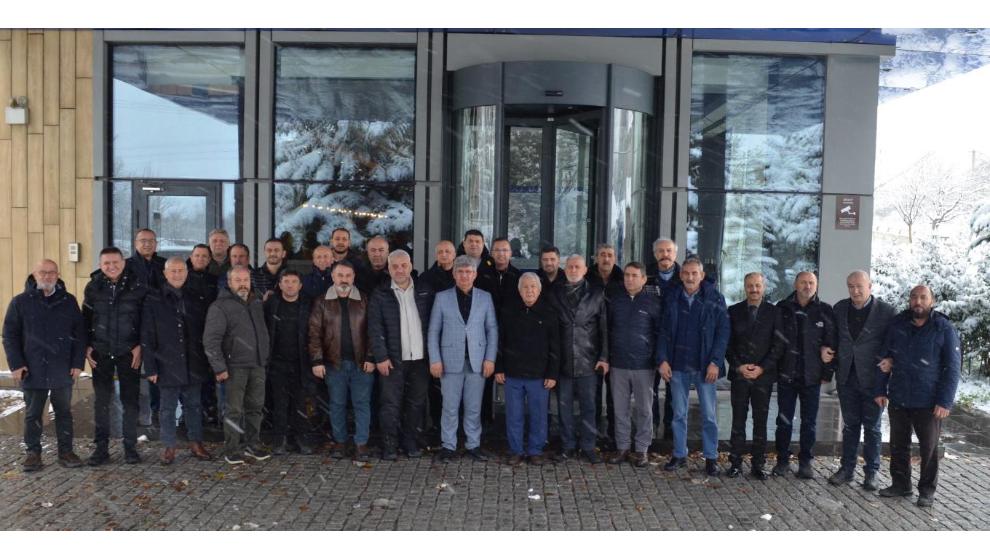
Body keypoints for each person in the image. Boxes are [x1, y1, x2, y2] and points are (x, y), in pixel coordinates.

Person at [875, 285, 960, 508]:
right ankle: (901, 484)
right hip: (899, 395)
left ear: (932, 301)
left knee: (928, 449)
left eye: (923, 297)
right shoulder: (898, 324)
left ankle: (927, 491)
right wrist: (880, 389)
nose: (918, 301)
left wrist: (945, 401)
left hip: (929, 400)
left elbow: (952, 368)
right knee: (898, 445)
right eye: (914, 297)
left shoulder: (943, 328)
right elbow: (884, 357)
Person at [3, 260, 86, 472]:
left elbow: (80, 334)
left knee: (64, 412)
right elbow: (10, 336)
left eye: (52, 273)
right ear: (34, 275)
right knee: (33, 414)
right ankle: (33, 453)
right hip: (32, 368)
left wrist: (77, 363)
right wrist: (17, 364)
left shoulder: (68, 301)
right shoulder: (20, 302)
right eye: (43, 272)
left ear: (57, 275)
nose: (47, 276)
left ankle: (66, 452)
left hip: (62, 368)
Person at [658, 258, 730, 476]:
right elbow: (663, 331)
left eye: (694, 273)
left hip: (704, 366)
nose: (690, 277)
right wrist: (662, 359)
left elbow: (723, 333)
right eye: (686, 273)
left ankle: (711, 457)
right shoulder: (672, 297)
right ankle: (679, 454)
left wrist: (715, 362)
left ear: (702, 275)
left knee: (709, 415)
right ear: (681, 275)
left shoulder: (715, 298)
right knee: (679, 414)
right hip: (677, 365)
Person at [140, 257, 213, 465]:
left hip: (193, 361)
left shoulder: (196, 297)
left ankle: (195, 443)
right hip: (166, 362)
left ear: (187, 273)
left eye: (181, 270)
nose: (177, 274)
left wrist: (207, 361)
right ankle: (169, 446)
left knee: (194, 406)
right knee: (167, 408)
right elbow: (147, 335)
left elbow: (206, 332)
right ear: (165, 274)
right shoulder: (154, 299)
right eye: (173, 271)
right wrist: (150, 367)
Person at [827, 270, 895, 491]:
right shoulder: (839, 308)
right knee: (850, 426)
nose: (855, 291)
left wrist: (891, 361)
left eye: (859, 286)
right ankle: (847, 469)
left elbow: (894, 343)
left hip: (874, 380)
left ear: (870, 286)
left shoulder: (886, 312)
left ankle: (871, 473)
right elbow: (833, 338)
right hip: (847, 377)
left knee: (872, 428)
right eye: (851, 286)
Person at [428, 255, 499, 463]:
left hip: (478, 361)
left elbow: (492, 329)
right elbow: (433, 331)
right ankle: (448, 446)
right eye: (460, 272)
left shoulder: (485, 298)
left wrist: (490, 359)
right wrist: (435, 359)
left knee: (474, 407)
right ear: (454, 274)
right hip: (449, 362)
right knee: (449, 407)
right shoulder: (442, 298)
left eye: (469, 272)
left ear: (475, 274)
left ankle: (473, 444)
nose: (465, 275)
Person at [83, 247, 147, 466]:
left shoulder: (137, 286)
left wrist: (141, 345)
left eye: (115, 262)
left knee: (130, 401)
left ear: (123, 262)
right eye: (106, 263)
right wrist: (87, 346)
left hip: (129, 352)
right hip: (101, 351)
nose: (111, 267)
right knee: (102, 401)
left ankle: (130, 447)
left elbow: (145, 319)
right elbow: (86, 319)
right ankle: (101, 448)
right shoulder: (93, 287)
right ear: (100, 265)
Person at [367, 250, 434, 459]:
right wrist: (381, 357)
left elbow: (434, 324)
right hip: (392, 360)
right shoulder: (380, 294)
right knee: (390, 404)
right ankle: (389, 445)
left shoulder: (424, 290)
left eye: (404, 265)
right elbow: (374, 328)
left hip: (420, 359)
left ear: (410, 266)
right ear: (388, 269)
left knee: (415, 403)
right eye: (395, 266)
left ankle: (410, 442)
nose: (400, 270)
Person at [203, 265, 272, 465]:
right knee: (234, 410)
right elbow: (211, 340)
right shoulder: (220, 307)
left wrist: (264, 356)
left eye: (246, 280)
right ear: (229, 282)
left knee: (255, 408)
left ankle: (252, 444)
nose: (243, 284)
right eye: (238, 280)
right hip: (234, 367)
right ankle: (231, 449)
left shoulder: (256, 302)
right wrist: (219, 367)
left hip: (257, 364)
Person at [309, 261, 376, 461]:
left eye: (348, 275)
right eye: (340, 275)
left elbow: (373, 331)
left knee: (362, 404)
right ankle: (340, 442)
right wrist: (317, 360)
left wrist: (371, 357)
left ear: (354, 277)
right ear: (333, 277)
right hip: (333, 364)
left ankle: (361, 443)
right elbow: (314, 333)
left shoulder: (364, 299)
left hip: (361, 364)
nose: (344, 279)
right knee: (337, 404)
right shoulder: (322, 301)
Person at [773, 271, 836, 479]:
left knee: (809, 422)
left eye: (811, 283)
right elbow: (775, 341)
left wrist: (827, 372)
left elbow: (831, 343)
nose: (807, 286)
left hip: (812, 376)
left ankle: (806, 461)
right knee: (784, 421)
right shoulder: (783, 308)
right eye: (803, 282)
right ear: (795, 284)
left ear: (816, 286)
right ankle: (782, 460)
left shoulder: (824, 310)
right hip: (787, 374)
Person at [548, 255, 609, 464]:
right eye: (570, 267)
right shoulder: (554, 293)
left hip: (588, 360)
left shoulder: (597, 293)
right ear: (564, 269)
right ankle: (567, 446)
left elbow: (604, 328)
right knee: (563, 407)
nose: (573, 270)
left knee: (589, 407)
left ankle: (588, 446)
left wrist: (604, 357)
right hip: (563, 360)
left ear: (585, 270)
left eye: (577, 267)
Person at [496, 273, 560, 466]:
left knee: (538, 416)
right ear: (519, 290)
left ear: (539, 290)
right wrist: (499, 368)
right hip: (512, 374)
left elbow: (555, 346)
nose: (529, 290)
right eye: (525, 287)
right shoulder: (508, 311)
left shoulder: (549, 313)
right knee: (513, 415)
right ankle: (516, 450)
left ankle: (535, 450)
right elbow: (500, 342)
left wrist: (552, 373)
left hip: (539, 375)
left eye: (533, 287)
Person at [724, 272, 781, 480]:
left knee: (760, 421)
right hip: (740, 375)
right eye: (750, 286)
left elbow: (778, 345)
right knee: (738, 421)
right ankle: (735, 463)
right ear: (744, 287)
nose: (754, 289)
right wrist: (739, 366)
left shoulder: (774, 312)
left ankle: (758, 464)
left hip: (763, 377)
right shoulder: (733, 311)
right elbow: (727, 343)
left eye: (757, 285)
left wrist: (762, 368)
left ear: (764, 287)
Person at [606, 262, 663, 468]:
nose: (629, 279)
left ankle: (642, 449)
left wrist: (658, 359)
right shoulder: (615, 300)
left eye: (634, 275)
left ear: (644, 279)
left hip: (644, 365)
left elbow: (660, 333)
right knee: (620, 409)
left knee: (644, 409)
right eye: (627, 275)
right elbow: (607, 329)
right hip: (618, 363)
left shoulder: (653, 302)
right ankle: (622, 447)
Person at [263, 270, 315, 456]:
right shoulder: (271, 304)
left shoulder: (308, 305)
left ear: (300, 285)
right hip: (277, 363)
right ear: (280, 284)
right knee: (280, 403)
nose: (290, 285)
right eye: (286, 281)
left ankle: (302, 439)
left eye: (294, 281)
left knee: (301, 403)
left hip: (302, 362)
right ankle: (280, 440)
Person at [418, 239, 457, 438]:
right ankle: (436, 425)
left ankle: (456, 428)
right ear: (436, 255)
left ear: (454, 254)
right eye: (440, 251)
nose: (444, 255)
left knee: (456, 386)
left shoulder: (462, 275)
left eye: (448, 251)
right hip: (434, 336)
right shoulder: (426, 278)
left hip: (457, 338)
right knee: (435, 386)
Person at [586, 243, 624, 447]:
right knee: (593, 392)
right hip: (592, 341)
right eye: (602, 255)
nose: (606, 259)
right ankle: (593, 434)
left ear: (615, 258)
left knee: (614, 394)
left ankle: (612, 435)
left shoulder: (623, 278)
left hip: (616, 339)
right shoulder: (587, 277)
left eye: (610, 255)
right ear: (596, 258)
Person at [647, 238, 681, 441]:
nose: (665, 254)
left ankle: (670, 428)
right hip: (649, 339)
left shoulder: (683, 276)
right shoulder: (646, 276)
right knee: (650, 388)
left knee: (673, 388)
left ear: (675, 254)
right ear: (655, 254)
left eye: (669, 251)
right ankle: (651, 427)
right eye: (660, 251)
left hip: (676, 341)